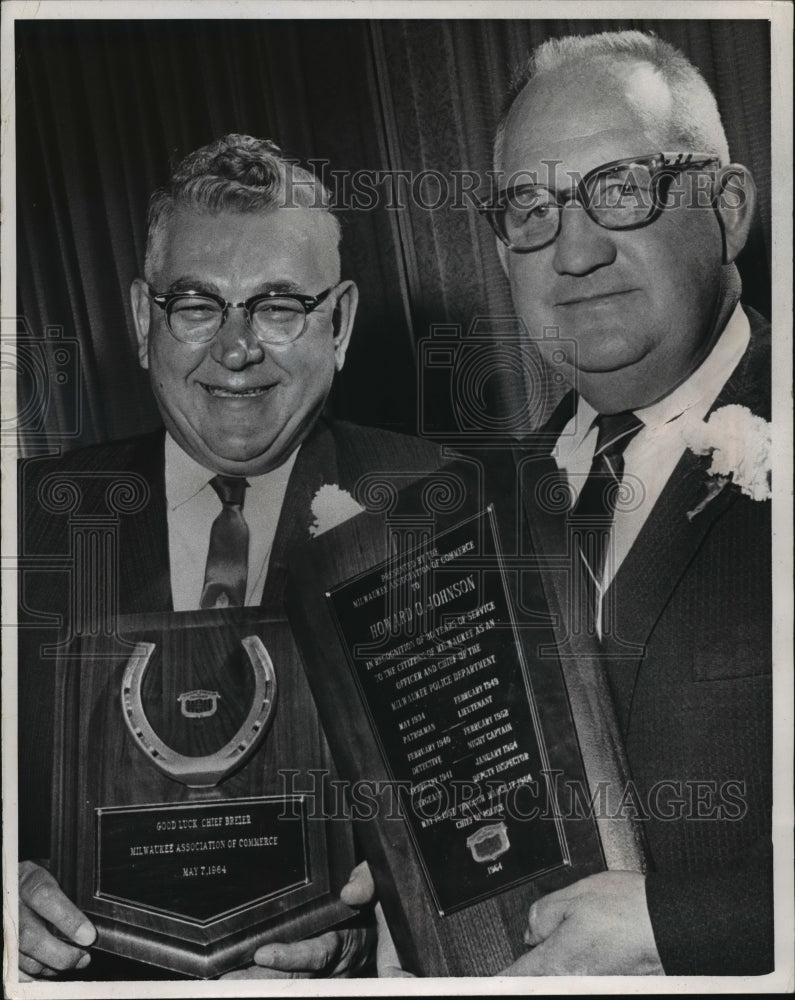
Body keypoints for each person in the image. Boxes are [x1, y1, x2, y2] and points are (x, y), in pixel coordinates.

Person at [17, 134, 442, 981]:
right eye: (197, 305)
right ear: (144, 321)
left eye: (280, 306)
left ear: (341, 323)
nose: (237, 348)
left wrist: (381, 938)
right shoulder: (23, 521)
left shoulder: (443, 509)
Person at [477, 30, 772, 976]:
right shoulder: (469, 517)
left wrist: (676, 925)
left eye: (619, 187)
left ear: (727, 209)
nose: (573, 249)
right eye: (530, 205)